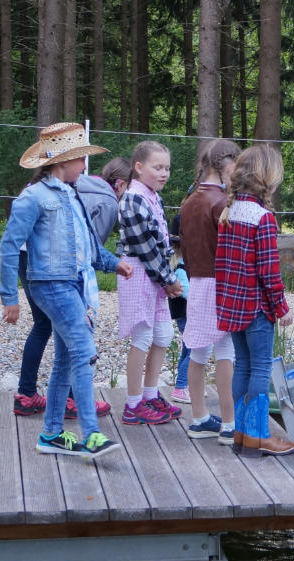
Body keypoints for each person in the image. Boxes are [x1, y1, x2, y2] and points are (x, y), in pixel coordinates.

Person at [0, 122, 131, 458]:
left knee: (65, 359)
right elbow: (9, 246)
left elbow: (88, 245)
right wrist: (9, 297)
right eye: (80, 158)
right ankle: (91, 435)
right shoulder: (34, 198)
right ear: (61, 161)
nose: (85, 165)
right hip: (49, 285)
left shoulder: (73, 194)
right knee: (84, 352)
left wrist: (115, 263)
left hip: (72, 285)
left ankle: (51, 434)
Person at [215, 144, 294, 456]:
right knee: (261, 367)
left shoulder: (229, 211)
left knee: (243, 366)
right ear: (268, 180)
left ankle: (241, 434)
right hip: (257, 309)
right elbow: (268, 272)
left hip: (232, 306)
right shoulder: (262, 218)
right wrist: (282, 307)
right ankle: (259, 435)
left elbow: (222, 264)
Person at [117, 140, 185, 425]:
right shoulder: (133, 198)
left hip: (155, 273)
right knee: (142, 335)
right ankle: (133, 404)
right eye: (158, 167)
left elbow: (161, 241)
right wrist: (168, 280)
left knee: (163, 335)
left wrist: (167, 276)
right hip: (137, 272)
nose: (164, 173)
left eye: (167, 168)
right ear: (139, 167)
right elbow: (144, 247)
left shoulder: (152, 196)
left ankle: (150, 393)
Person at [180, 139, 240, 445]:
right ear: (224, 164)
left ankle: (200, 418)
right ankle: (229, 423)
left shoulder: (189, 201)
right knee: (226, 350)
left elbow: (185, 250)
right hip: (220, 281)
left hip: (197, 282)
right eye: (236, 166)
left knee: (198, 350)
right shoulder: (221, 204)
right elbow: (230, 251)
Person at [167, 213, 193, 405]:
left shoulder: (175, 262)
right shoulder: (182, 265)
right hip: (188, 312)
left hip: (181, 312)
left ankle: (186, 384)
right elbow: (185, 291)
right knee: (195, 349)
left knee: (187, 347)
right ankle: (181, 386)